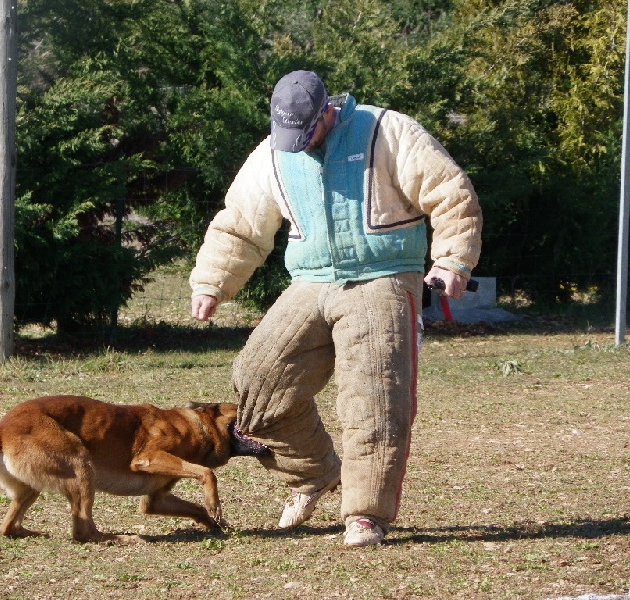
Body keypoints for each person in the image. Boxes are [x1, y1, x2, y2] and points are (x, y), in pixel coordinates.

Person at [190, 70, 482, 546]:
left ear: (328, 110)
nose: (297, 145)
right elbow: (240, 224)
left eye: (306, 134)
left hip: (384, 276)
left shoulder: (388, 130)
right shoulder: (271, 153)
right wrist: (212, 283)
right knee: (258, 379)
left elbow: (450, 192)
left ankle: (365, 515)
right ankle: (316, 474)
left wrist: (452, 259)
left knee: (373, 397)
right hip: (310, 281)